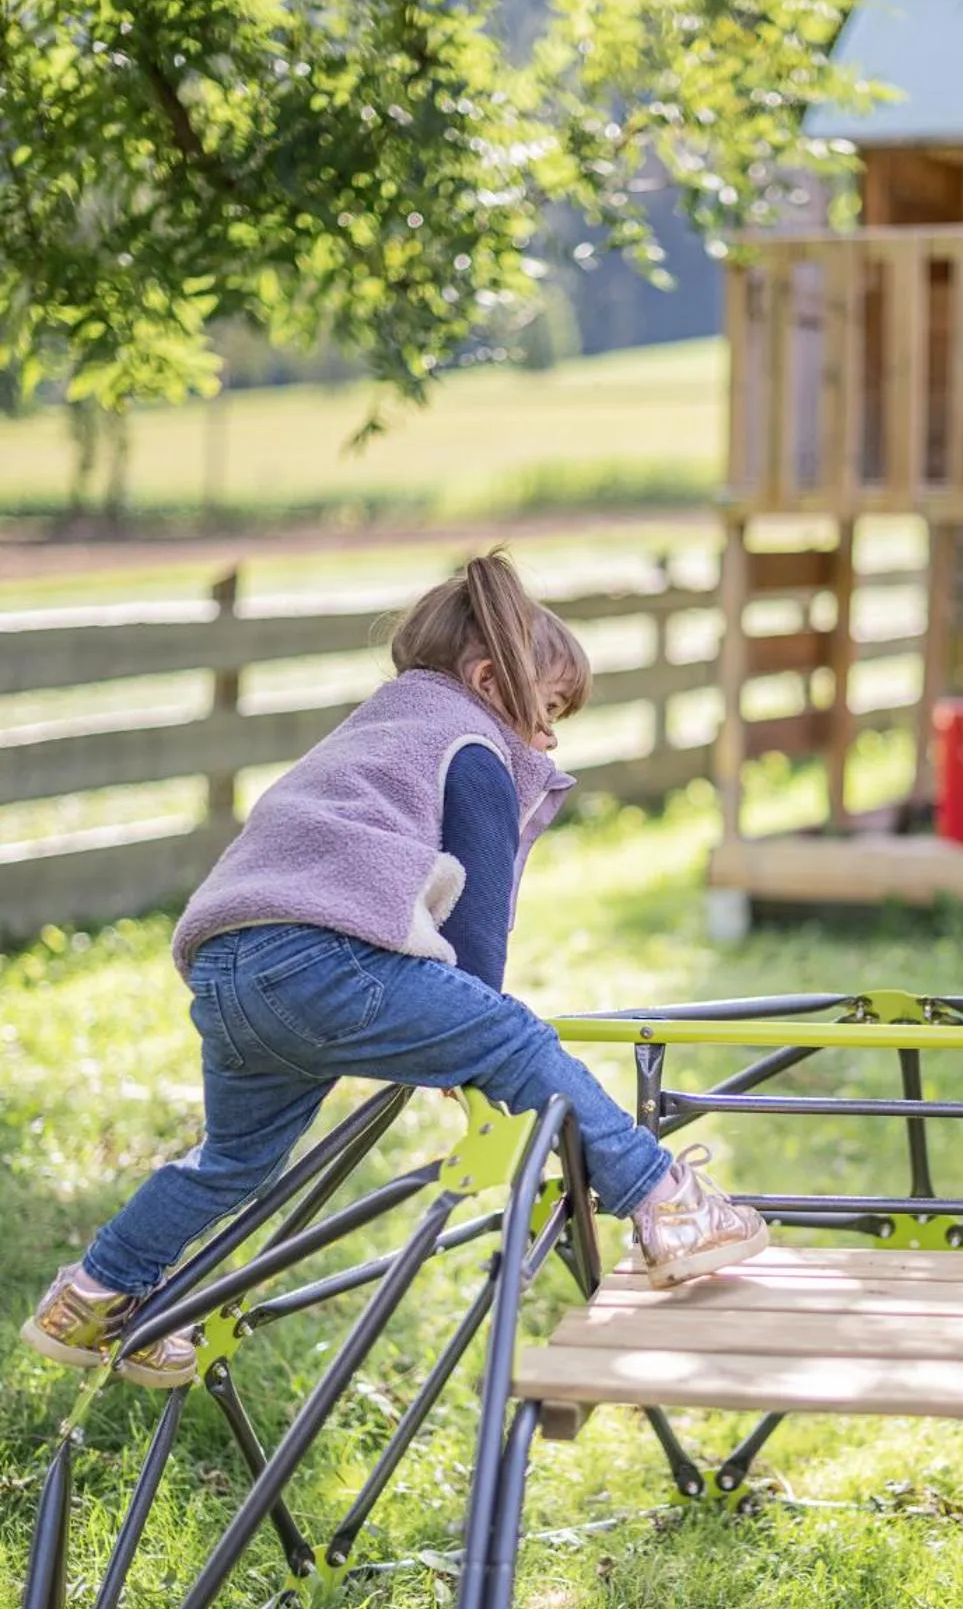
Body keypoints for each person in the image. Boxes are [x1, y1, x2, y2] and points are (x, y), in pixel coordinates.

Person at [22, 552, 767, 1387]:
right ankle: (665, 1201)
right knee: (514, 1035)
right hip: (318, 959)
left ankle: (94, 1295)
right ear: (490, 680)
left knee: (230, 1162)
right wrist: (472, 1035)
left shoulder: (379, 725)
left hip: (226, 967)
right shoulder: (472, 744)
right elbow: (481, 920)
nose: (551, 737)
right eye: (551, 711)